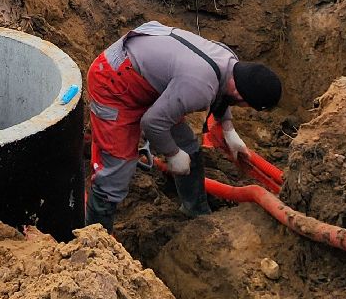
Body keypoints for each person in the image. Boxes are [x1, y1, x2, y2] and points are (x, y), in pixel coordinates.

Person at [85, 21, 282, 233]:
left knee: (188, 145)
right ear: (241, 96)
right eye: (246, 104)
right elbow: (152, 123)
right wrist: (172, 154)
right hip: (112, 80)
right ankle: (95, 238)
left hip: (151, 77)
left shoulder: (229, 60)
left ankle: (195, 210)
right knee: (117, 168)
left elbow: (222, 93)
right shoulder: (199, 87)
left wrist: (228, 129)